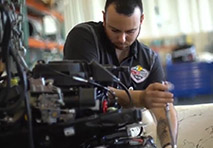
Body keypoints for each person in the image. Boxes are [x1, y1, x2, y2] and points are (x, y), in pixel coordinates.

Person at [63, 0, 178, 147]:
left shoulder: (148, 59)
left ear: (141, 20)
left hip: (122, 138)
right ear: (104, 18)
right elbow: (85, 92)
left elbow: (163, 107)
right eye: (115, 30)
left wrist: (169, 144)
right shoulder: (84, 37)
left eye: (130, 31)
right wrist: (140, 97)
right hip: (82, 138)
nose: (122, 39)